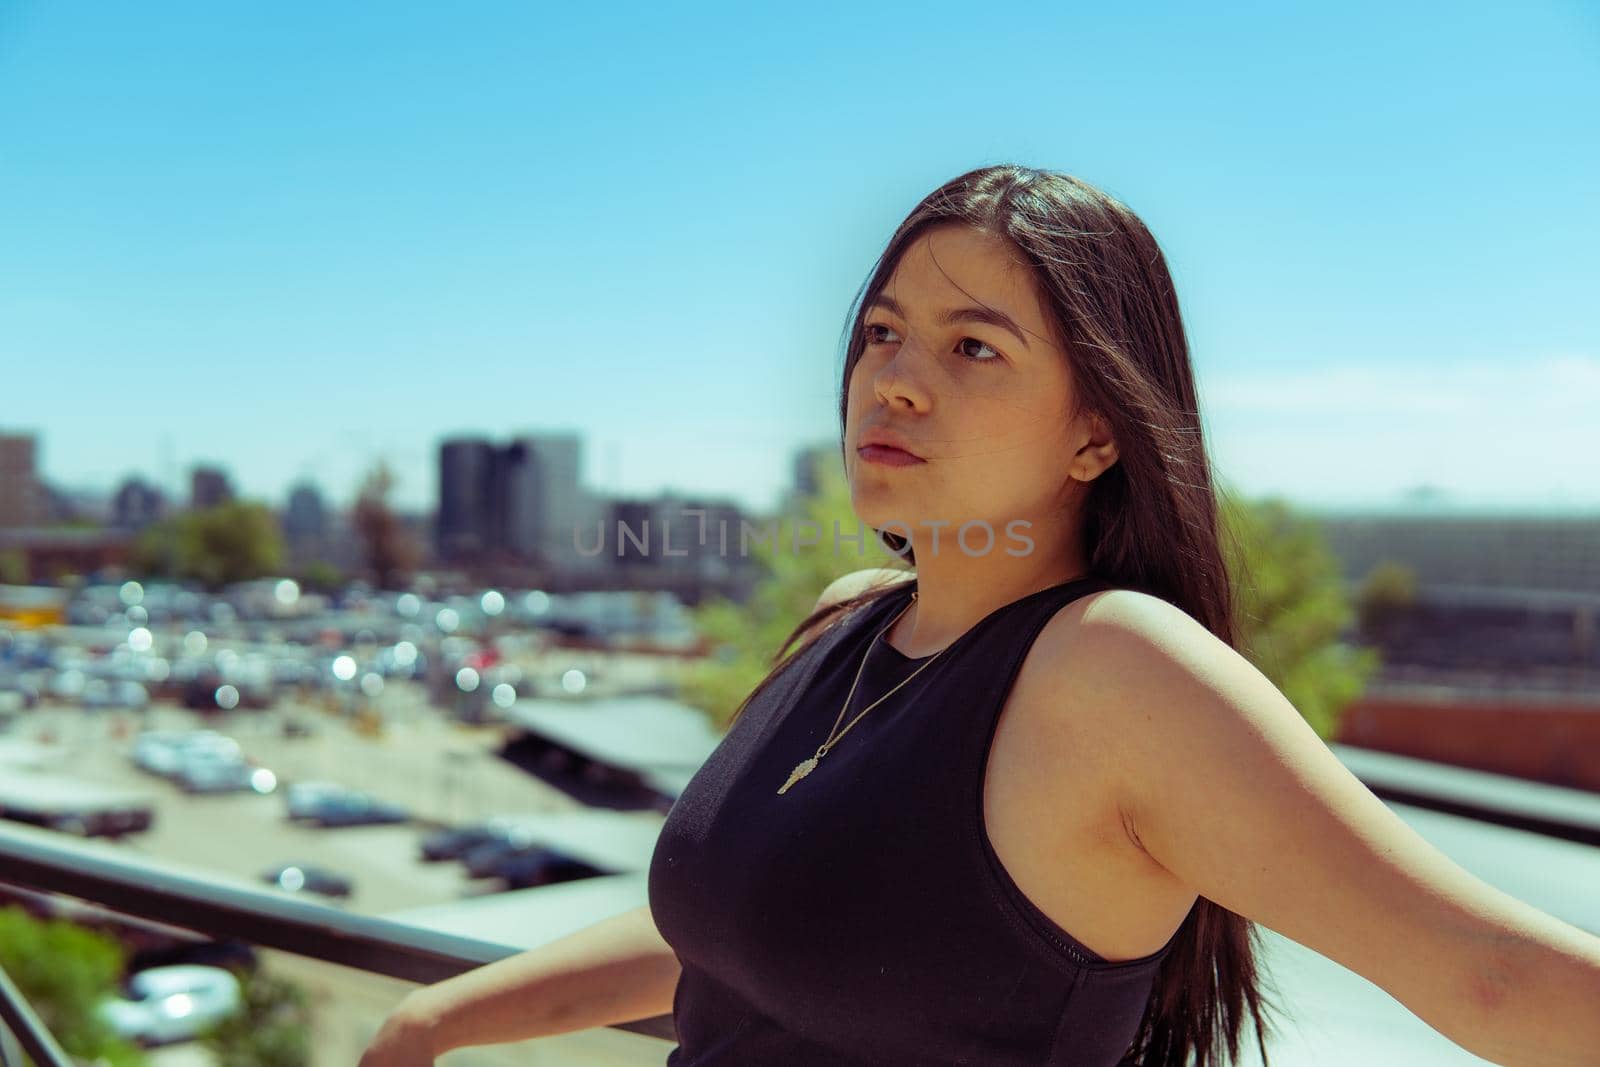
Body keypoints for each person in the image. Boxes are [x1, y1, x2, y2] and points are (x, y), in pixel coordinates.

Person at [360, 165, 1600, 1066]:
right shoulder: (849, 622)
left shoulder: (1112, 669)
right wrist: (443, 1014)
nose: (894, 375)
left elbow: (1492, 977)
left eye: (976, 348)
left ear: (1096, 431)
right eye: (885, 331)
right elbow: (751, 929)